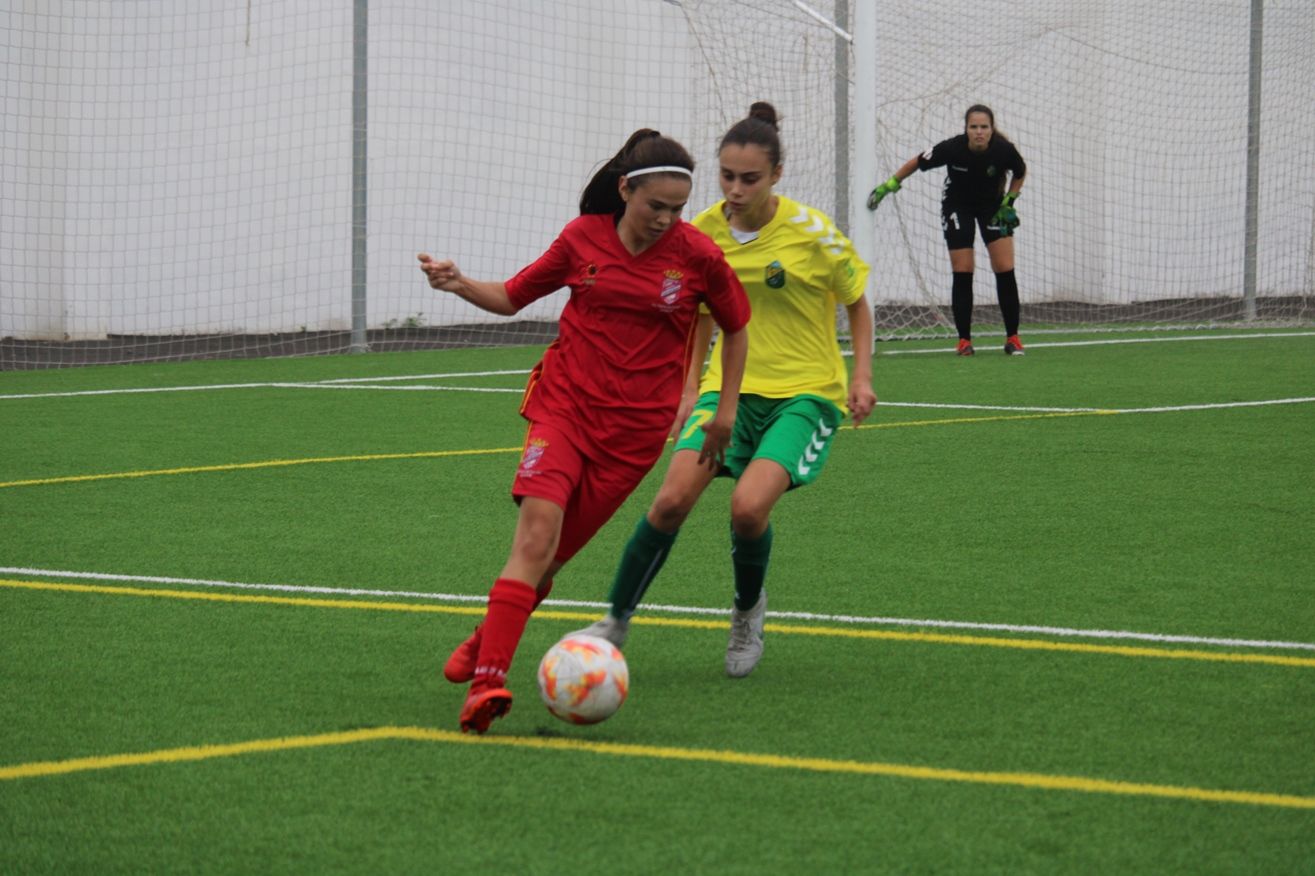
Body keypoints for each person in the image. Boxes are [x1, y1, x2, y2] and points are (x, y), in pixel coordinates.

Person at [418, 129, 751, 734]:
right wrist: (460, 282)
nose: (665, 220)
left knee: (550, 561)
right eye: (656, 206)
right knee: (536, 536)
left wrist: (722, 408)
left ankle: (481, 639)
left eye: (677, 209)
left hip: (633, 438)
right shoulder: (581, 240)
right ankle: (488, 685)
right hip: (564, 410)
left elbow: (736, 327)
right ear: (626, 189)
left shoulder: (698, 255)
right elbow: (514, 296)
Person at [572, 102, 875, 677]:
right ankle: (616, 618)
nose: (736, 190)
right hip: (725, 392)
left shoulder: (813, 234)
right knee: (669, 501)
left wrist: (860, 377)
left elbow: (856, 301)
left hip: (804, 397)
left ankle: (746, 613)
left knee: (747, 508)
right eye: (727, 177)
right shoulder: (700, 232)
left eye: (750, 179)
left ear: (777, 175)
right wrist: (690, 387)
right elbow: (698, 313)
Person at [867, 104, 1028, 356]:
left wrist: (1009, 201)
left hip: (992, 207)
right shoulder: (952, 148)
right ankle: (964, 341)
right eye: (973, 127)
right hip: (957, 206)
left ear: (991, 129)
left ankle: (1013, 338)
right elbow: (918, 162)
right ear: (966, 129)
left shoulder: (1003, 150)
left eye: (984, 127)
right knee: (963, 269)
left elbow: (1020, 171)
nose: (978, 132)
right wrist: (890, 185)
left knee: (1004, 268)